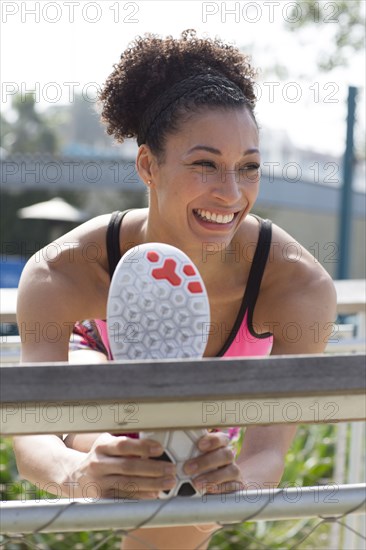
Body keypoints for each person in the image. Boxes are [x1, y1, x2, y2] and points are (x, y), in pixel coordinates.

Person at [14, 29, 336, 550]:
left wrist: (231, 494)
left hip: (209, 436)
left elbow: (267, 452)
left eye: (248, 167)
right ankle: (132, 452)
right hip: (98, 389)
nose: (231, 194)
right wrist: (81, 475)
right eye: (205, 164)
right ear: (147, 165)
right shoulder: (65, 270)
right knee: (127, 433)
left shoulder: (294, 282)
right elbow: (33, 438)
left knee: (183, 492)